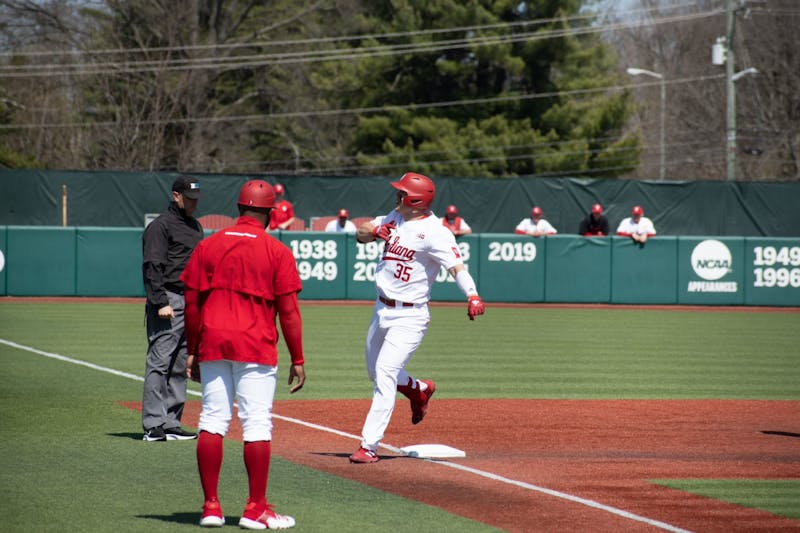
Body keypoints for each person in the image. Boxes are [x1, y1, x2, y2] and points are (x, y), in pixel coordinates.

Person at [181, 179, 306, 529]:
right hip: (255, 343)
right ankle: (255, 509)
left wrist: (192, 349)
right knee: (256, 423)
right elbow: (290, 312)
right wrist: (298, 359)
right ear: (269, 213)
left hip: (213, 341)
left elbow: (192, 304)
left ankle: (210, 507)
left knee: (212, 420)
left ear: (238, 209)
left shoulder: (209, 245)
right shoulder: (276, 251)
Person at [349, 172, 486, 464]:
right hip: (382, 309)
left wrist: (472, 295)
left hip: (410, 315)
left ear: (415, 200)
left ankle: (369, 445)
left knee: (385, 374)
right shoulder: (394, 217)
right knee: (376, 373)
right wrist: (373, 232)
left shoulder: (436, 232)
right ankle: (419, 390)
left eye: (401, 193)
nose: (396, 196)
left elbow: (456, 268)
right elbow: (360, 232)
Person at [140, 175, 204, 442]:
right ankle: (153, 425)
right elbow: (152, 266)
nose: (193, 204)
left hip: (190, 299)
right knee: (159, 363)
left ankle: (171, 423)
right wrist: (160, 302)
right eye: (189, 199)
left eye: (196, 200)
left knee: (180, 365)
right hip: (169, 297)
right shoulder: (160, 226)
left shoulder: (195, 226)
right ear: (176, 196)